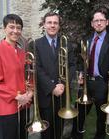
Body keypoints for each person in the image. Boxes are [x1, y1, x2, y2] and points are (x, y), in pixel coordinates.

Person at [71, 8, 109, 139]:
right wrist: (80, 72)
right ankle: (76, 135)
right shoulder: (86, 40)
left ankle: (99, 136)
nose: (99, 23)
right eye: (96, 20)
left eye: (101, 20)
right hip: (85, 82)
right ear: (92, 23)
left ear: (107, 22)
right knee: (79, 112)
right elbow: (81, 60)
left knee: (101, 116)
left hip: (102, 83)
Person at [0, 14, 33, 139]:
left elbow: (30, 75)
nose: (15, 31)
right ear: (4, 28)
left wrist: (30, 92)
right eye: (11, 27)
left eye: (18, 28)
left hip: (24, 103)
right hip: (8, 106)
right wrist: (17, 96)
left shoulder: (22, 52)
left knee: (23, 135)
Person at [35, 11, 76, 139]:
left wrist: (63, 85)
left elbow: (72, 65)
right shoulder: (36, 44)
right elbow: (37, 69)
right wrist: (52, 87)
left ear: (59, 26)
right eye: (49, 22)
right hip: (46, 95)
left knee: (59, 130)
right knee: (46, 132)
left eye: (55, 23)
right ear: (44, 25)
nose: (52, 25)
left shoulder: (66, 43)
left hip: (62, 94)